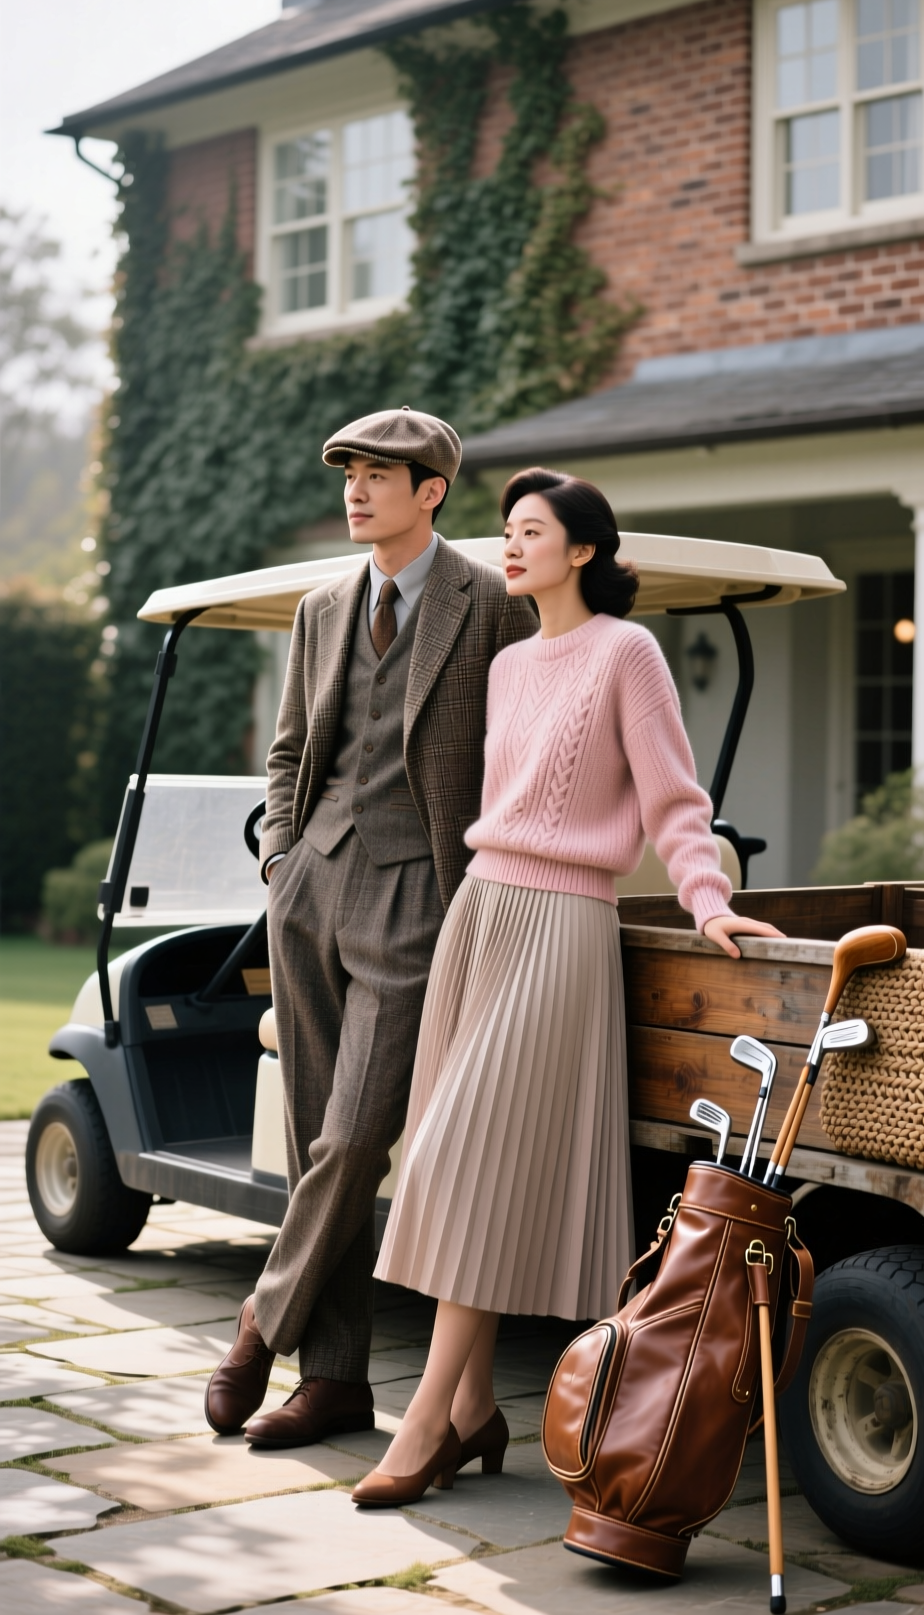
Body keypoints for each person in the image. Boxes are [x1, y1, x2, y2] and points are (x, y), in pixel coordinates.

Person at [351, 467, 783, 1506]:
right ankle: (466, 1414)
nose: (508, 544)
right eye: (503, 530)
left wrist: (708, 896)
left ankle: (420, 1427)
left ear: (582, 548)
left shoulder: (625, 652)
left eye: (530, 529)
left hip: (560, 926)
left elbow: (676, 797)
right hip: (483, 914)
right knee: (459, 1163)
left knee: (466, 1155)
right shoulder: (506, 665)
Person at [204, 408, 537, 1448]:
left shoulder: (489, 602)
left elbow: (519, 751)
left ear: (430, 490)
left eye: (377, 474)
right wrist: (280, 862)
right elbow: (291, 747)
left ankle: (262, 1316)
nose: (354, 489)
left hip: (418, 898)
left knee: (353, 1137)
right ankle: (335, 1380)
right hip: (311, 891)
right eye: (347, 471)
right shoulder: (319, 605)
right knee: (315, 1137)